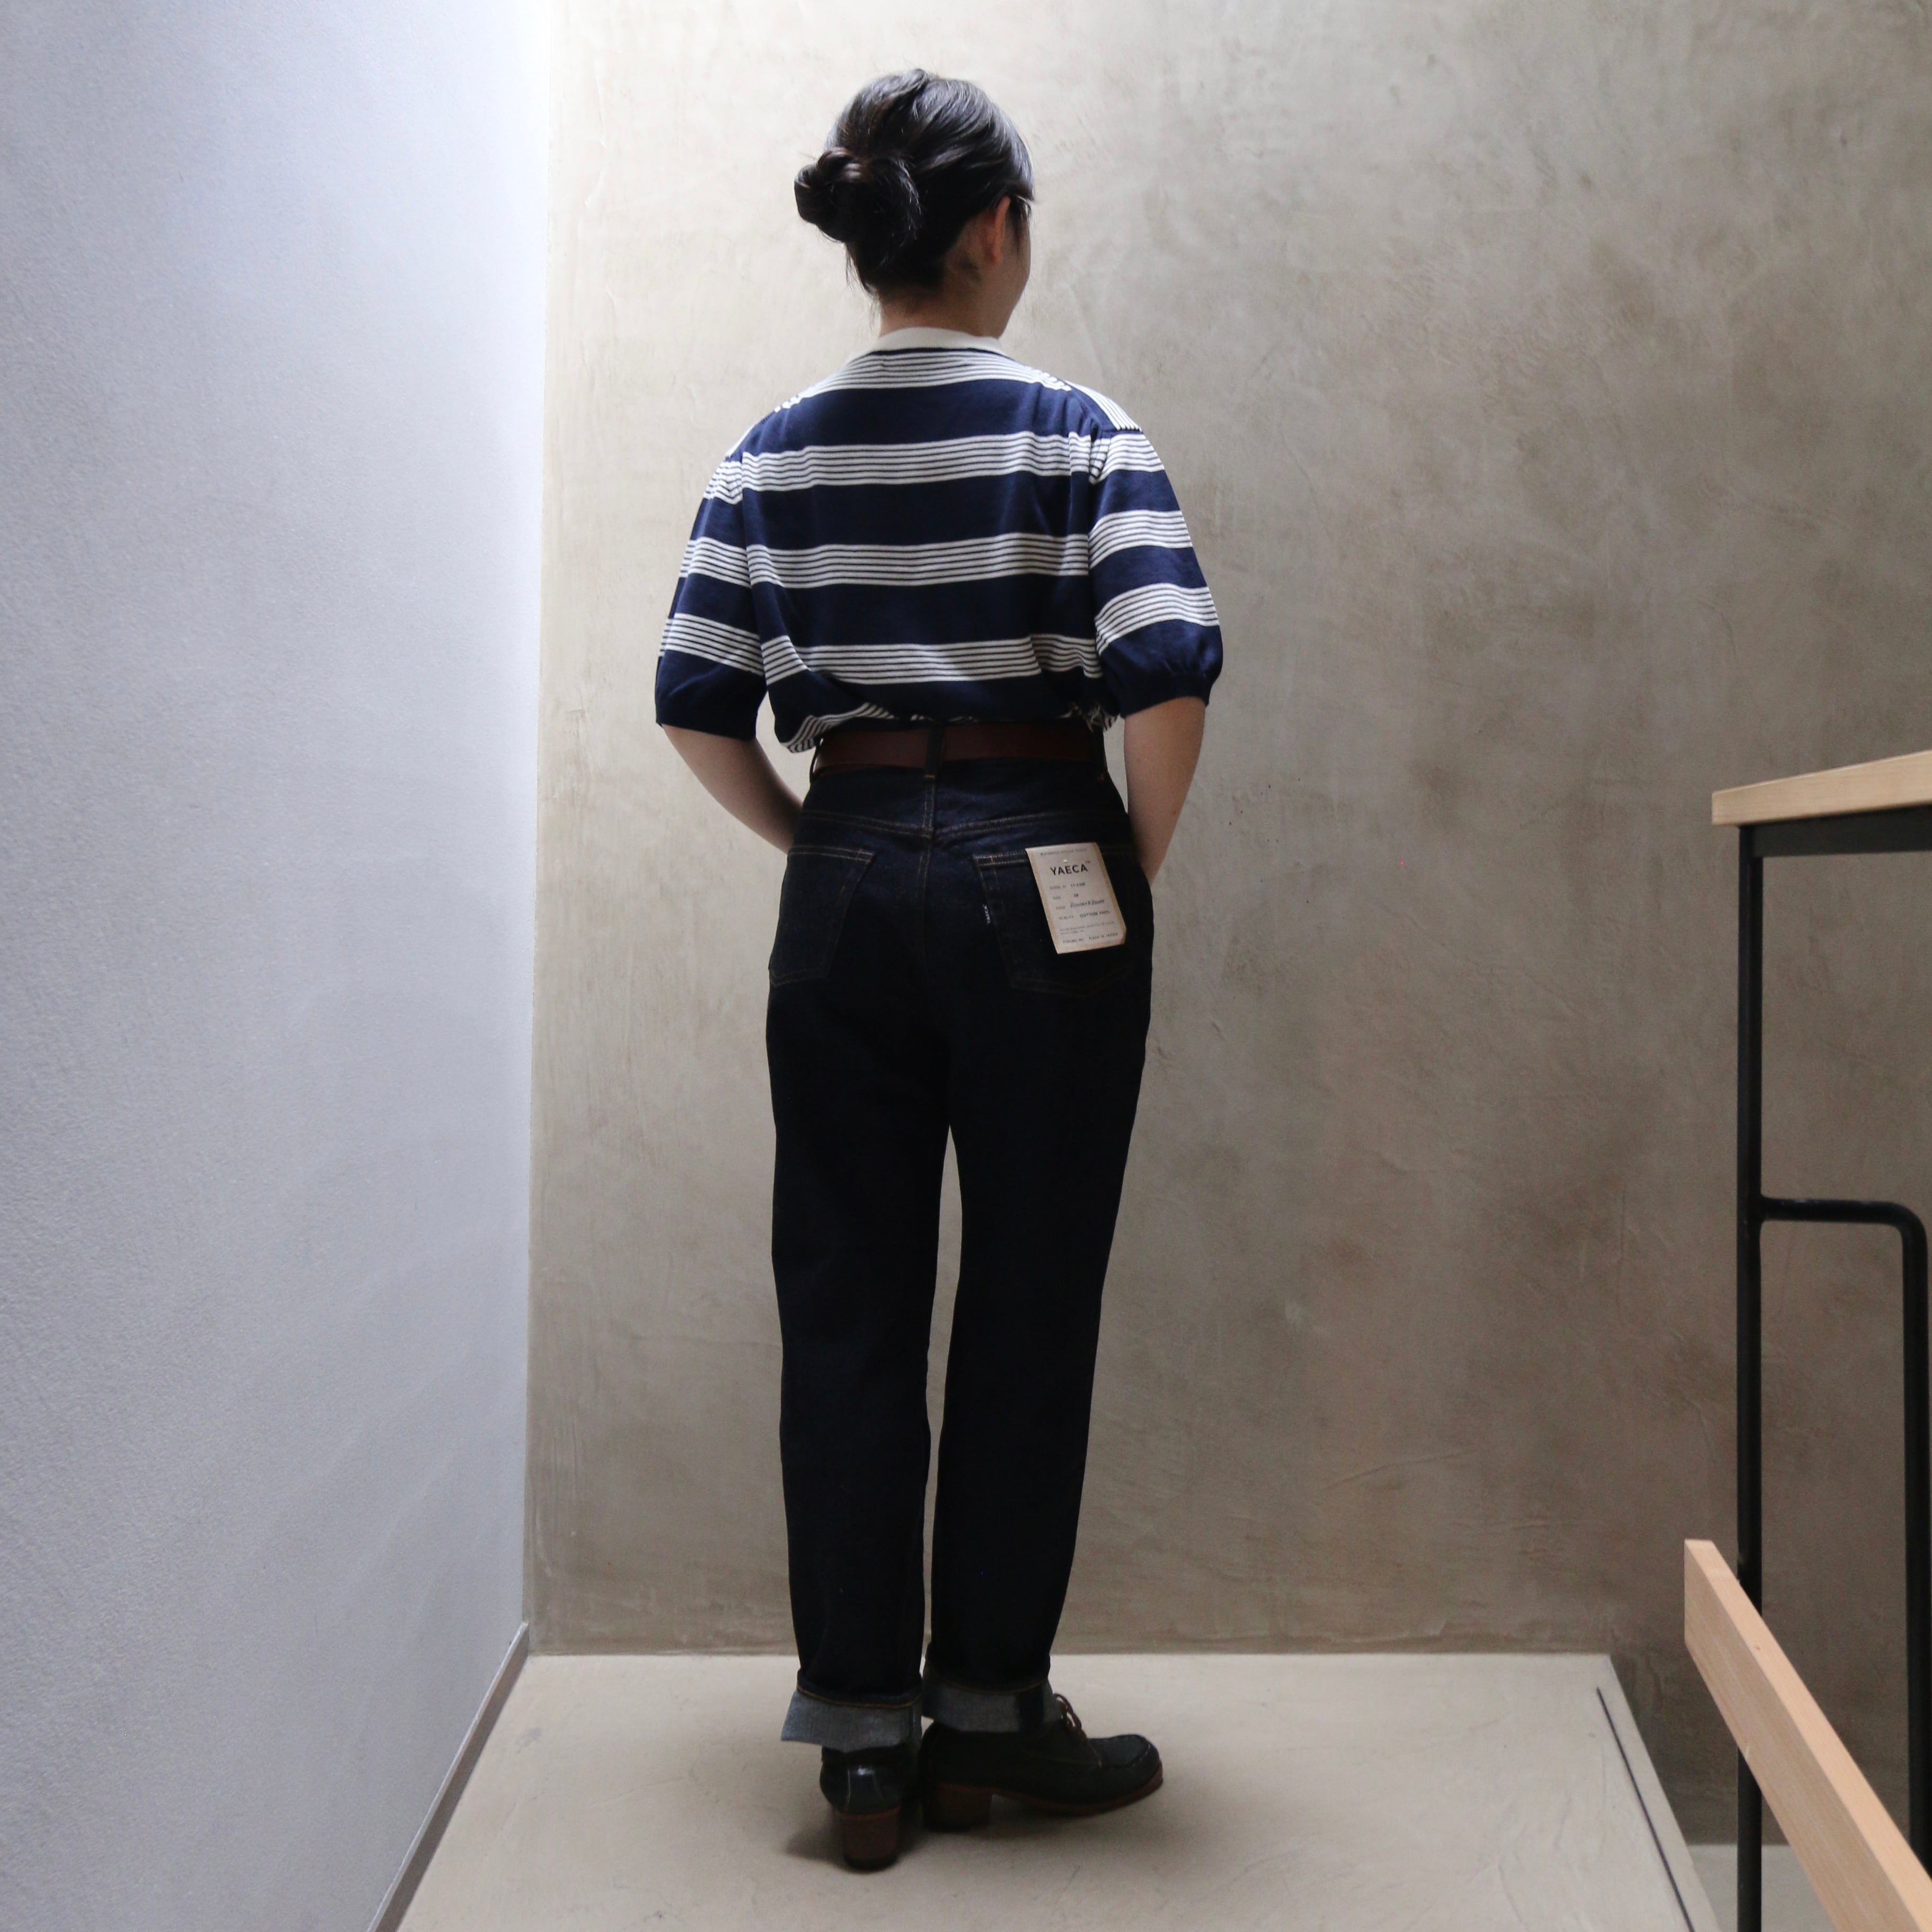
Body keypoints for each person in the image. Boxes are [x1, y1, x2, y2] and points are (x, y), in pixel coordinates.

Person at [655, 69, 1221, 1871]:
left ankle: (859, 1743)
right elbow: (1167, 668)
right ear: (994, 230)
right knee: (1030, 1297)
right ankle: (986, 1713)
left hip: (845, 867)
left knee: (847, 1296)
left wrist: (816, 840)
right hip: (1039, 844)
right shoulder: (1080, 429)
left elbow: (693, 698)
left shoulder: (772, 448)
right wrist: (1122, 868)